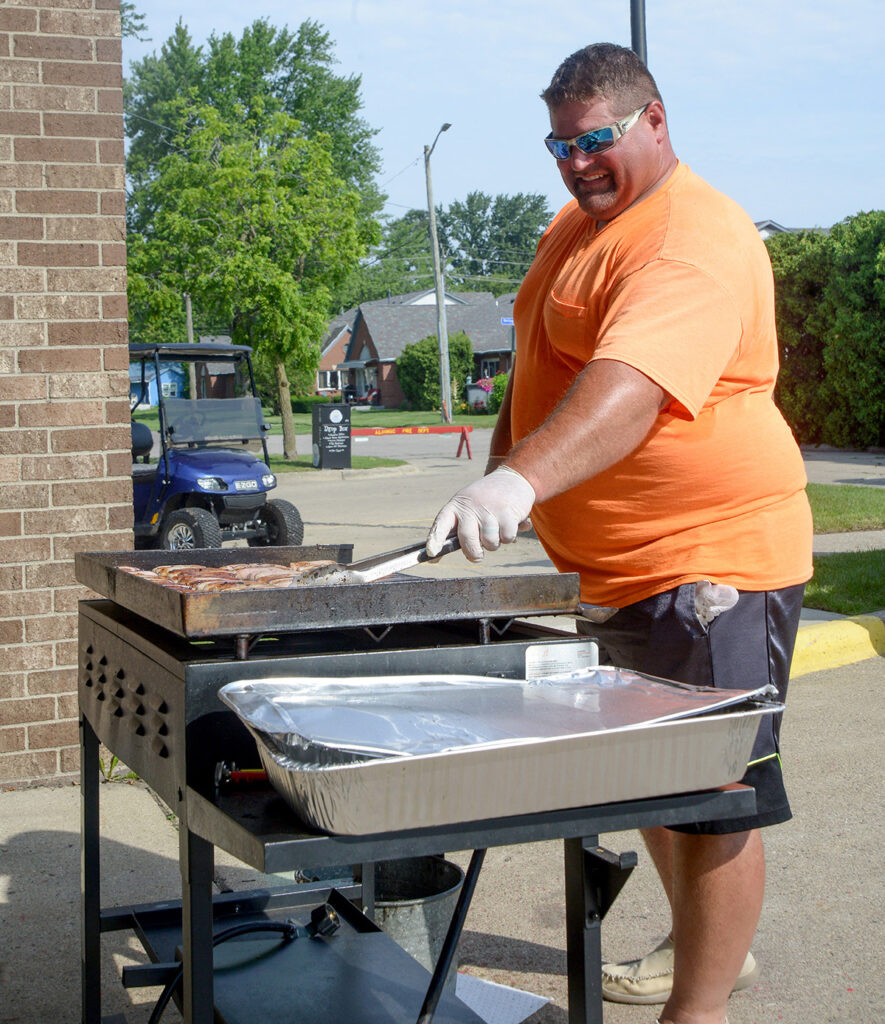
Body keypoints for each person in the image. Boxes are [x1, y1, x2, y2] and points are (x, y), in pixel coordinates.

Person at [426, 43, 812, 1024]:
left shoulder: (692, 236)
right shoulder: (577, 224)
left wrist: (523, 476)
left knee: (715, 791)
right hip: (614, 567)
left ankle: (701, 1006)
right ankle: (705, 945)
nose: (576, 161)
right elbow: (539, 357)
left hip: (712, 560)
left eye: (595, 139)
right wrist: (504, 477)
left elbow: (630, 388)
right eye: (559, 144)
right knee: (641, 774)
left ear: (655, 121)